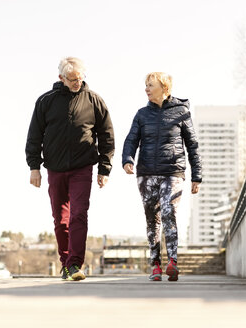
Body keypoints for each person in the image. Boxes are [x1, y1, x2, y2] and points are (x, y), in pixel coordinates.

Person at [25, 57, 114, 281]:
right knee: (60, 219)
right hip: (54, 169)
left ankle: (75, 264)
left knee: (78, 215)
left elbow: (107, 135)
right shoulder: (46, 101)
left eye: (80, 78)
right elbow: (34, 136)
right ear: (61, 78)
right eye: (72, 79)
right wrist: (34, 167)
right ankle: (65, 263)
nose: (77, 83)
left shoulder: (94, 100)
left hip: (82, 167)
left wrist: (104, 168)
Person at [122, 72, 202, 281]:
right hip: (146, 172)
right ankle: (155, 265)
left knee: (168, 211)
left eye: (150, 85)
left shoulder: (181, 112)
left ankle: (173, 262)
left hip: (173, 171)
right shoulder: (141, 114)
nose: (146, 89)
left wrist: (197, 175)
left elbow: (192, 145)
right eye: (146, 85)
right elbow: (131, 139)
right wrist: (127, 159)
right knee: (152, 218)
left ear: (164, 88)